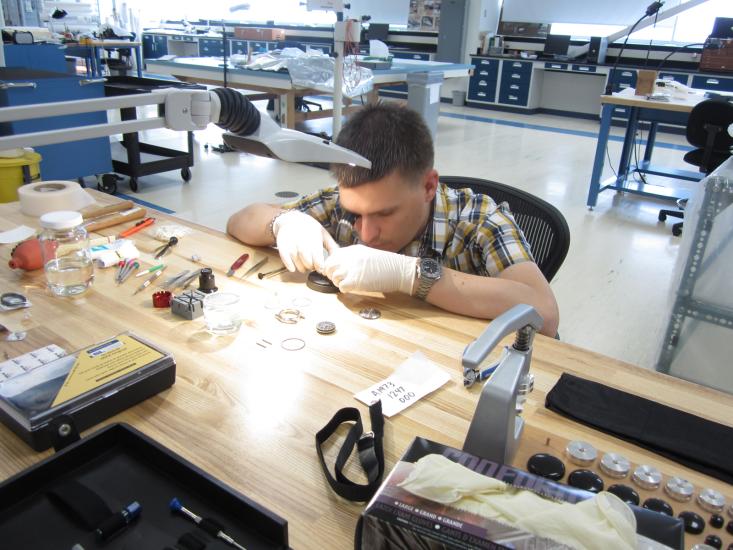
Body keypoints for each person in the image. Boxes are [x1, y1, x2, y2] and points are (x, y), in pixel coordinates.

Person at [226, 103, 559, 336]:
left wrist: (412, 276)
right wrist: (282, 223)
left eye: (385, 213)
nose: (367, 234)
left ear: (429, 186)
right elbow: (240, 220)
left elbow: (545, 314)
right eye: (356, 214)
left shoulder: (481, 220)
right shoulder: (340, 206)